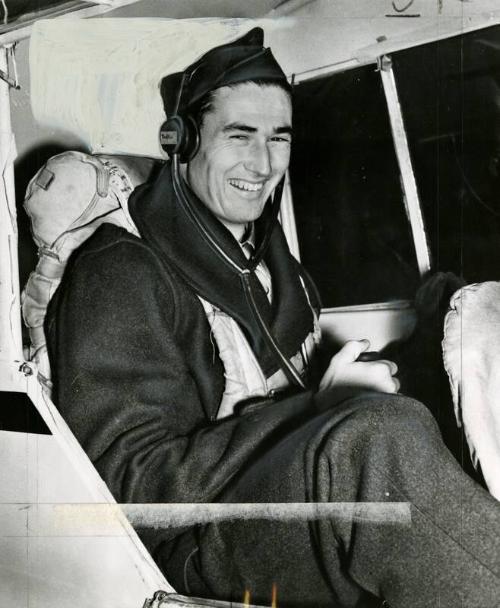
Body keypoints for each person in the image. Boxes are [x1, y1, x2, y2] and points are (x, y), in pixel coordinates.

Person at [46, 28, 500, 608]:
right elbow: (132, 487)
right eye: (240, 136)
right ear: (181, 140)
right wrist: (319, 407)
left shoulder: (265, 259)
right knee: (377, 443)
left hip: (280, 494)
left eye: (278, 138)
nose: (263, 164)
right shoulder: (122, 271)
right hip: (195, 546)